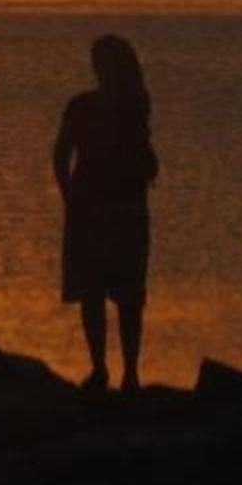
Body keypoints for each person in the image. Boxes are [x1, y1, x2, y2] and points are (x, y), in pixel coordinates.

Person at [52, 33, 158, 392]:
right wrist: (69, 196)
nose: (101, 69)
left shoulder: (133, 106)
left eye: (106, 63)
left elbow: (64, 153)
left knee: (126, 297)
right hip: (95, 207)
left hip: (122, 207)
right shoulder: (88, 106)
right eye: (99, 63)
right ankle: (103, 369)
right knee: (97, 294)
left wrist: (70, 194)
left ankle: (127, 373)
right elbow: (61, 153)